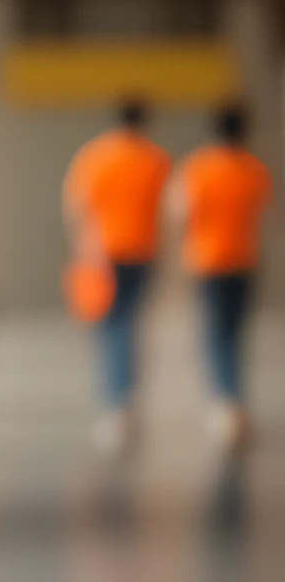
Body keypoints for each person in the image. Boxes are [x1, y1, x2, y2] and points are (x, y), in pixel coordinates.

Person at [63, 97, 172, 452]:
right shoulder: (155, 160)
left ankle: (116, 406)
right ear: (145, 121)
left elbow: (77, 205)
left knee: (112, 327)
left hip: (103, 254)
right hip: (143, 251)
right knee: (129, 324)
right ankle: (126, 402)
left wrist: (83, 248)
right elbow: (166, 212)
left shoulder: (95, 156)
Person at [168, 103, 271, 451]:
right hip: (244, 260)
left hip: (207, 261)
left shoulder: (197, 168)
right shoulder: (253, 170)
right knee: (235, 334)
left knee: (216, 335)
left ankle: (224, 405)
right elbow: (260, 214)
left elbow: (180, 213)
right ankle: (235, 402)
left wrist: (182, 253)